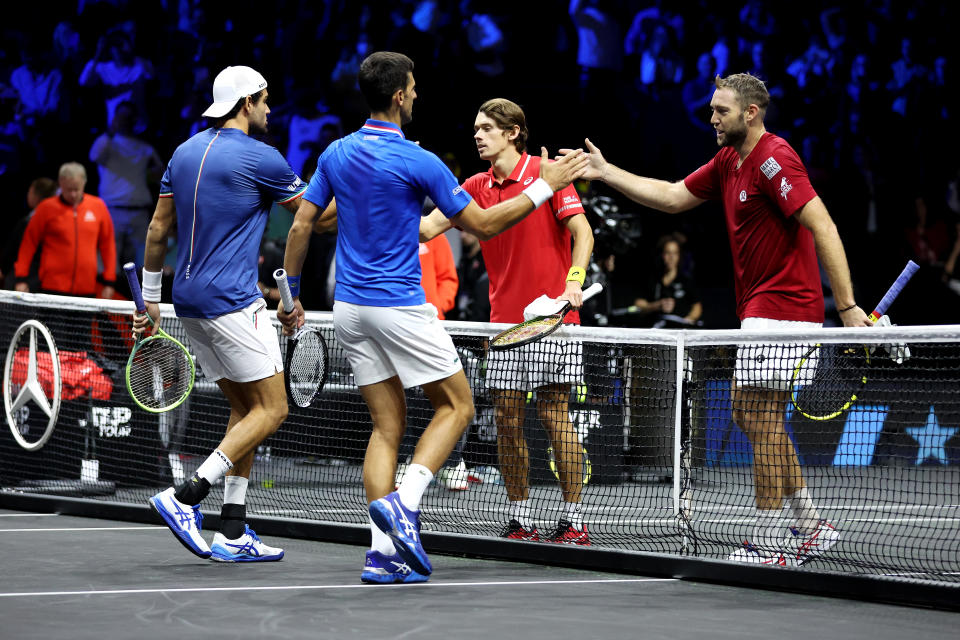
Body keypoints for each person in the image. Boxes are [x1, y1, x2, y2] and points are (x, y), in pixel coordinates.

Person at [278, 51, 587, 584]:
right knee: (459, 407)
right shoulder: (421, 161)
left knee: (386, 426)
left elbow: (305, 225)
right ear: (399, 95)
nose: (418, 95)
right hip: (397, 306)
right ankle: (407, 503)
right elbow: (485, 227)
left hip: (348, 309)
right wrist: (546, 183)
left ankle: (381, 554)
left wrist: (290, 297)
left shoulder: (335, 153)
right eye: (414, 88)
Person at [570, 73, 873, 565]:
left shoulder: (775, 159)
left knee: (755, 415)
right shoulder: (729, 161)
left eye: (721, 111)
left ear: (750, 112)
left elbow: (823, 225)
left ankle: (772, 539)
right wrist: (606, 172)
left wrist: (846, 306)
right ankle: (812, 526)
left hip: (784, 308)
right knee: (760, 419)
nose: (712, 118)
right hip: (762, 309)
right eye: (712, 110)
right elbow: (670, 196)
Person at [136, 65, 305, 563]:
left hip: (186, 302)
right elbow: (315, 217)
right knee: (273, 409)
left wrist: (150, 298)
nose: (270, 108)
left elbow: (155, 231)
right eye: (266, 99)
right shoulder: (262, 157)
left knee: (244, 410)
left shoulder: (183, 152)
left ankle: (232, 529)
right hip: (233, 303)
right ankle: (187, 495)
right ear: (247, 102)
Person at [425, 98, 595, 544]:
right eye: (476, 129)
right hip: (503, 324)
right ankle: (520, 517)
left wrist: (573, 281)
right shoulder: (475, 185)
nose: (477, 136)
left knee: (555, 415)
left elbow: (583, 233)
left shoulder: (547, 175)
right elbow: (426, 229)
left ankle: (574, 520)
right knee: (506, 420)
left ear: (513, 132)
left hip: (554, 318)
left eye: (486, 129)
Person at [14, 162, 117, 298]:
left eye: (77, 189)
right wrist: (21, 277)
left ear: (84, 183)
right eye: (68, 189)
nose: (73, 194)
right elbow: (29, 243)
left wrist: (109, 281)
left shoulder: (98, 206)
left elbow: (107, 244)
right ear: (60, 184)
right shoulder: (46, 208)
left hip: (86, 288)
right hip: (52, 287)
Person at [89, 101, 164, 272]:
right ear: (114, 117)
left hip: (139, 212)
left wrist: (150, 176)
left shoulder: (145, 148)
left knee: (140, 266)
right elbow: (93, 156)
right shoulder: (106, 143)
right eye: (121, 116)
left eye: (128, 116)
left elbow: (161, 173)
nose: (125, 120)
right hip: (112, 210)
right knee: (108, 265)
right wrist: (111, 130)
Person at [633, 234, 703, 327]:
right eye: (668, 253)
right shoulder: (653, 279)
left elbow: (697, 307)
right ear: (662, 255)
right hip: (656, 329)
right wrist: (657, 306)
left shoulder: (686, 280)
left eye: (675, 253)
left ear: (679, 256)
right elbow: (638, 305)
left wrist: (689, 319)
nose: (671, 257)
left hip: (679, 330)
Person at [2, 177, 56, 290]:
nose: (27, 195)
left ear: (36, 195)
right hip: (35, 279)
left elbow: (13, 250)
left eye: (30, 191)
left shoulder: (29, 222)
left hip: (29, 281)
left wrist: (5, 269)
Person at [418, 232, 458, 320]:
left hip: (430, 320)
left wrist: (438, 308)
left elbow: (447, 279)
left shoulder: (432, 234)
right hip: (392, 315)